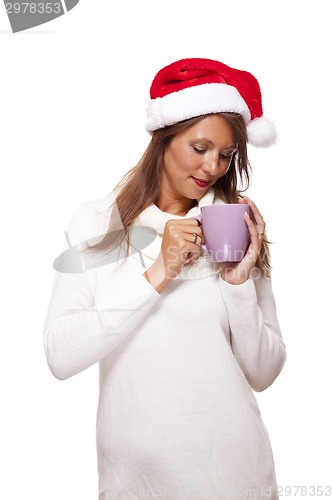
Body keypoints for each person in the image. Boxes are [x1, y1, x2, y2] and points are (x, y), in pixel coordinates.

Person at [43, 57, 286, 500]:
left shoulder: (236, 228)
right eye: (200, 147)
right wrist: (158, 272)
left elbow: (264, 372)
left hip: (236, 478)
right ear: (164, 137)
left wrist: (238, 284)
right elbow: (60, 355)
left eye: (227, 154)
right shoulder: (100, 222)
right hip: (136, 486)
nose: (213, 166)